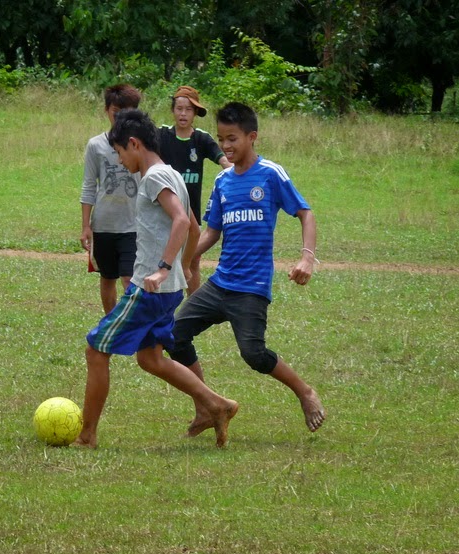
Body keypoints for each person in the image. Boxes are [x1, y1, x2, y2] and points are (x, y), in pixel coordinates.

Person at [74, 109, 239, 449]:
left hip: (150, 286)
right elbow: (193, 225)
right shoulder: (171, 173)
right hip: (168, 289)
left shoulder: (152, 178)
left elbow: (181, 221)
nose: (120, 162)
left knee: (95, 349)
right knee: (150, 358)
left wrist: (165, 266)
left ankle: (87, 437)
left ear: (134, 144)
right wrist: (187, 266)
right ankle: (217, 405)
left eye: (121, 153)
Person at [167, 102, 326, 438]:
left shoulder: (270, 174)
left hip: (251, 288)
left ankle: (304, 391)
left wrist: (306, 257)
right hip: (220, 283)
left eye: (233, 139)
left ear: (252, 137)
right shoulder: (223, 181)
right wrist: (182, 261)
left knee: (253, 354)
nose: (226, 146)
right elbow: (212, 231)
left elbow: (305, 213)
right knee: (174, 335)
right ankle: (208, 405)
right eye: (222, 139)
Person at [158, 86, 231, 294]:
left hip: (192, 212)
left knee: (193, 261)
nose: (183, 114)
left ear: (195, 113)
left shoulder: (201, 138)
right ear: (173, 110)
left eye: (188, 110)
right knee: (164, 258)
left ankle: (191, 307)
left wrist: (240, 174)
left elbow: (224, 161)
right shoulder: (161, 135)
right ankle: (164, 306)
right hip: (165, 211)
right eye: (179, 108)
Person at [80, 84, 142, 314]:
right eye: (116, 112)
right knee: (107, 278)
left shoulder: (141, 144)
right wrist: (86, 226)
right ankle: (111, 325)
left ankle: (130, 326)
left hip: (134, 224)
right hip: (104, 224)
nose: (121, 118)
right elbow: (88, 185)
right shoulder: (96, 145)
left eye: (127, 112)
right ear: (107, 111)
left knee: (129, 278)